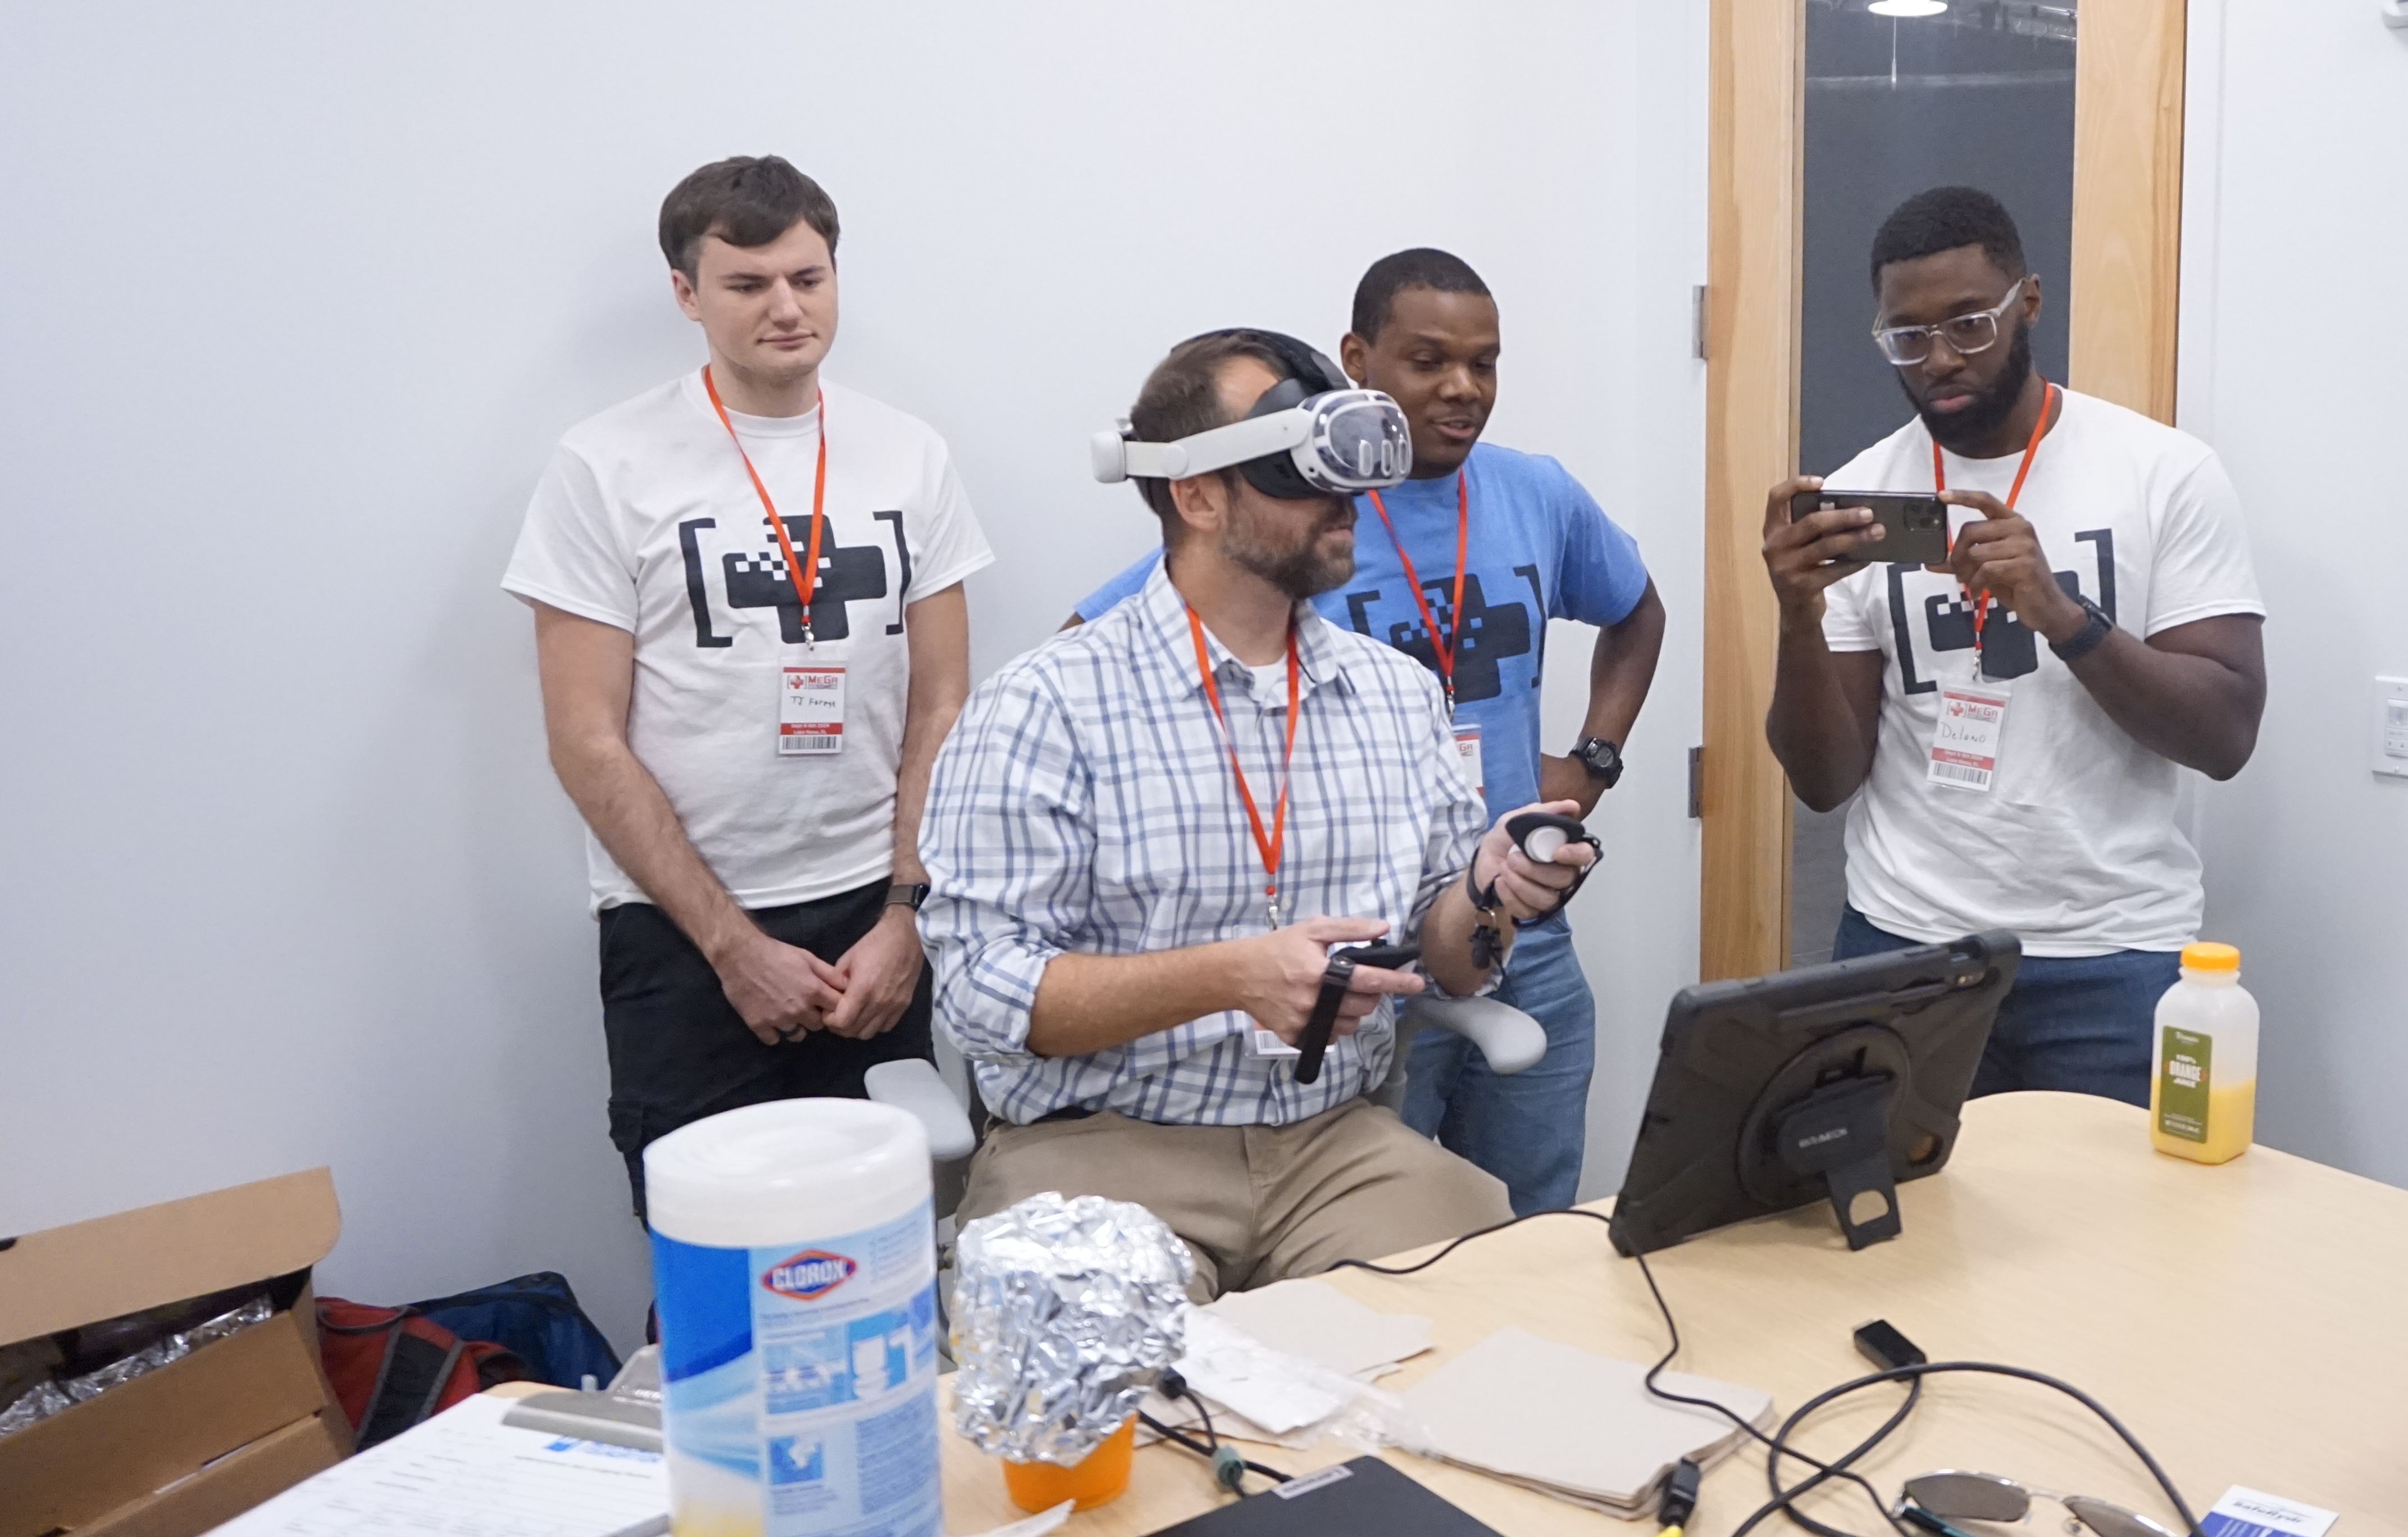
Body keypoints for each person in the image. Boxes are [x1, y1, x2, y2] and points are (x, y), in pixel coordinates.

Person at [925, 330, 1600, 1297]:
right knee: (1117, 1378)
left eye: (1352, 467)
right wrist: (1229, 977)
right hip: (1099, 1150)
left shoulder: (1396, 695)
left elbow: (1450, 961)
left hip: (1333, 1146)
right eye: (1302, 470)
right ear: (1198, 497)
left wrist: (1490, 891)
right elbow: (980, 995)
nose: (1346, 499)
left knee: (1492, 1320)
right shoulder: (1045, 705)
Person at [1063, 250, 1664, 1213]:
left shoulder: (1535, 494)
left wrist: (1592, 762)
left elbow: (1637, 611)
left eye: (1484, 363)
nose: (1463, 388)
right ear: (1356, 362)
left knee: (1534, 1217)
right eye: (1428, 361)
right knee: (1389, 1229)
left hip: (1512, 913)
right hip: (1362, 938)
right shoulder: (1294, 518)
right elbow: (1104, 639)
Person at [506, 156, 990, 1219]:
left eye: (808, 279)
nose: (787, 308)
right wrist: (732, 947)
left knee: (887, 1240)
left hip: (874, 919)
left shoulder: (909, 454)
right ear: (686, 294)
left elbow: (942, 704)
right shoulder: (604, 464)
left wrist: (907, 916)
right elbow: (585, 739)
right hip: (681, 931)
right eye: (748, 284)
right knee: (713, 1249)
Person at [1761, 185, 2268, 1101]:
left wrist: (2064, 617)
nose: (1939, 359)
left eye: (1968, 324)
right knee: (1901, 1197)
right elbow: (1825, 781)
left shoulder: (2162, 474)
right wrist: (1796, 616)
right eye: (1907, 337)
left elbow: (2225, 736)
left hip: (2112, 954)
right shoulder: (1866, 494)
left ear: (2027, 302)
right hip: (1906, 944)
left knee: (2109, 1202)